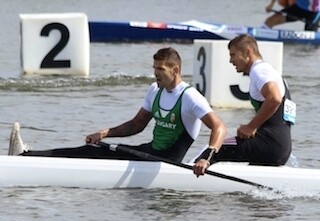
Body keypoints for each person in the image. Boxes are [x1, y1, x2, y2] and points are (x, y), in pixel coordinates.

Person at [14, 47, 227, 164]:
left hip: (167, 163)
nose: (155, 73)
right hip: (149, 153)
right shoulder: (155, 90)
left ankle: (27, 158)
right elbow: (136, 125)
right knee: (92, 149)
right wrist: (105, 133)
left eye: (161, 68)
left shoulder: (190, 97)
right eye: (154, 67)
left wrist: (206, 158)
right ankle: (30, 155)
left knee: (95, 155)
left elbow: (219, 127)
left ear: (176, 70)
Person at [193, 34, 295, 177]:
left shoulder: (260, 70)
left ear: (247, 52)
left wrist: (251, 126)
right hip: (280, 148)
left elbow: (274, 99)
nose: (230, 60)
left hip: (268, 145)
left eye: (233, 55)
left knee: (211, 150)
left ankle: (187, 176)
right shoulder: (271, 71)